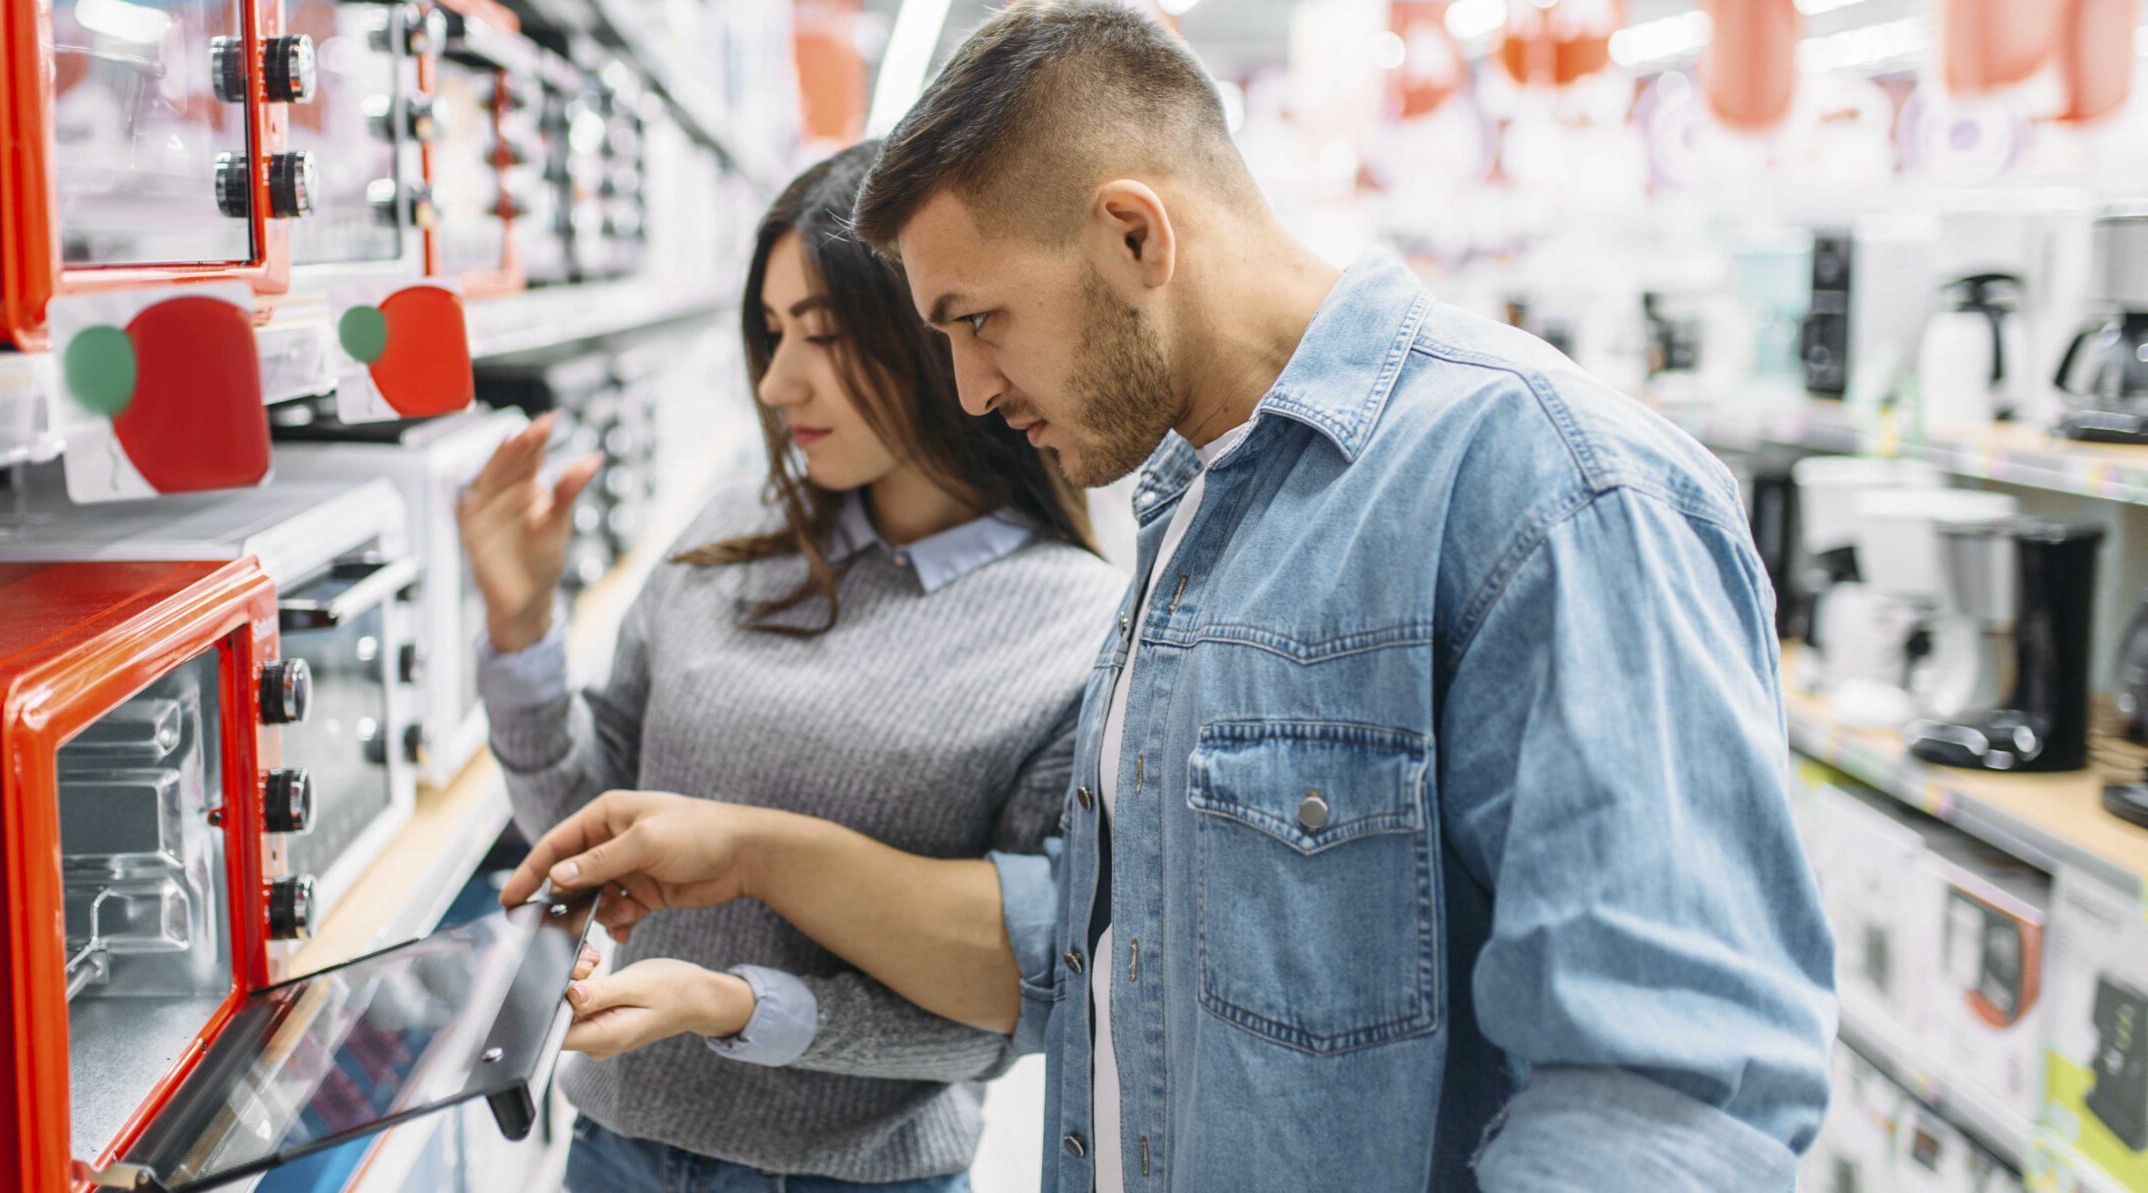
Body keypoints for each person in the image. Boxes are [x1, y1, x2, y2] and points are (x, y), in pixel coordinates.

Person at [503, 5, 1838, 1191]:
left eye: (977, 320)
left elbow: (1664, 1100)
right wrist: (752, 860)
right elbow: (1101, 942)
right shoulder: (1192, 514)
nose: (968, 389)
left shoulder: (1548, 490)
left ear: (1134, 234)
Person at [457, 141, 1123, 1192]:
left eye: (823, 334)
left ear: (934, 330)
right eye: (771, 334)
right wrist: (520, 626)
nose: (777, 382)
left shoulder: (1074, 628)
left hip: (853, 1178)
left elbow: (1016, 996)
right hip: (616, 1152)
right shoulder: (731, 535)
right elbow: (587, 825)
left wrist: (742, 1005)